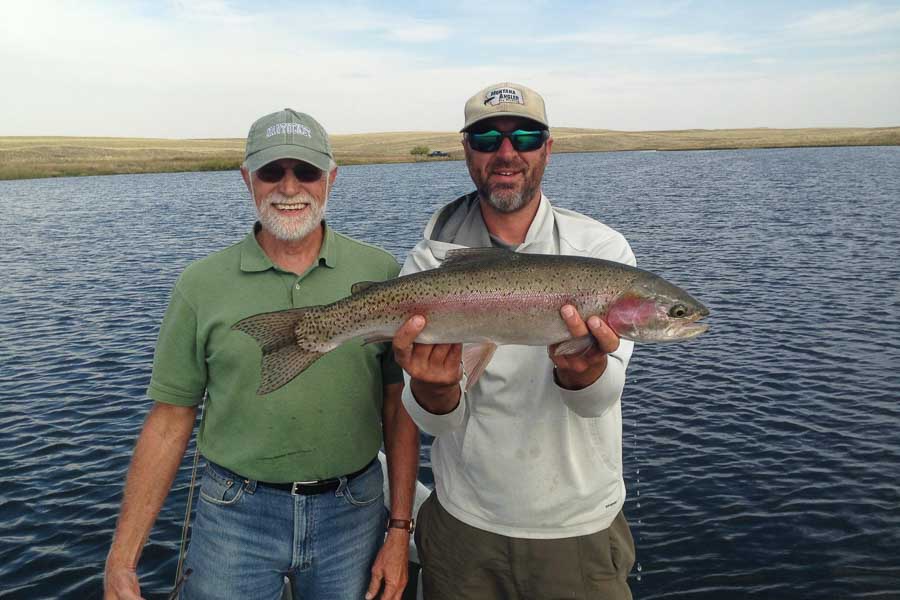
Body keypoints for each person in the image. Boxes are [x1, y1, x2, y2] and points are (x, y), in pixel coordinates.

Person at [104, 108, 419, 600]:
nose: (289, 188)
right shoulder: (199, 285)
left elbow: (399, 406)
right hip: (234, 514)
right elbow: (169, 420)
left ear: (331, 178)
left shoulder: (380, 270)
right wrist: (122, 560)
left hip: (353, 512)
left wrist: (400, 529)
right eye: (272, 171)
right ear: (247, 178)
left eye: (306, 172)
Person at [392, 83, 637, 599]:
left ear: (548, 147)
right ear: (467, 150)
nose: (507, 153)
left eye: (525, 136)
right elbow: (436, 419)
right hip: (464, 527)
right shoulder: (430, 258)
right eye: (486, 138)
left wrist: (585, 375)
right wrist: (435, 391)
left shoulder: (601, 251)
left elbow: (600, 400)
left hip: (577, 529)